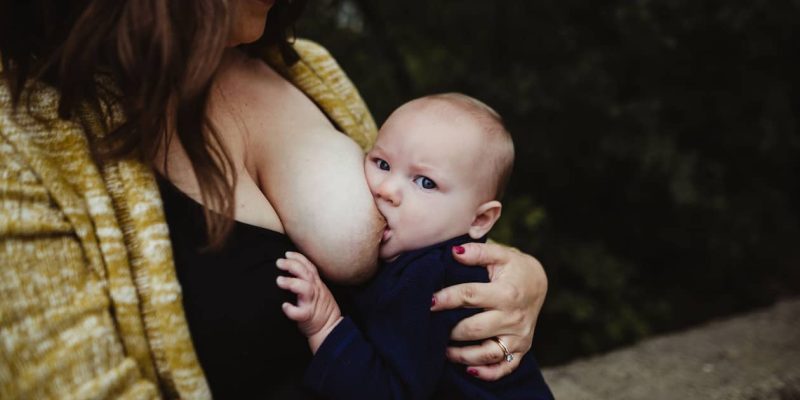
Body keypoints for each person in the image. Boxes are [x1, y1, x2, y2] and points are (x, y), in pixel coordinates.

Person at [0, 1, 548, 398]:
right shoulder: (22, 133)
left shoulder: (308, 68)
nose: (383, 182)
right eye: (378, 165)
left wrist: (517, 279)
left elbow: (434, 227)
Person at [277, 93, 554, 399]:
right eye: (381, 163)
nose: (386, 190)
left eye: (425, 182)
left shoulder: (429, 279)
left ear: (480, 219)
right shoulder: (415, 256)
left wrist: (326, 325)